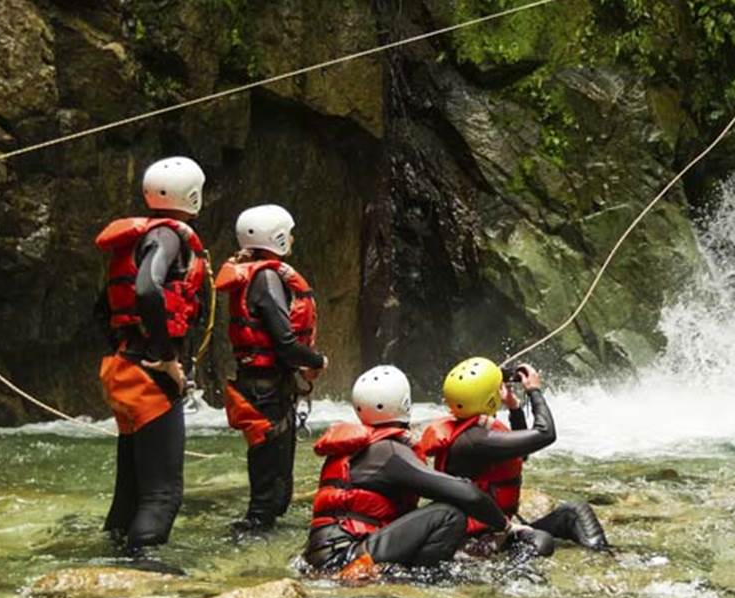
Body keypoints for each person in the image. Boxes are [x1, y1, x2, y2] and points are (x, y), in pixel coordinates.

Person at [93, 156, 208, 551]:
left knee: (130, 487)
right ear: (192, 194)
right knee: (162, 494)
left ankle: (111, 553)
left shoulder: (134, 240)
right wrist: (165, 357)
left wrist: (126, 350)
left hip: (123, 366)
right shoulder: (168, 236)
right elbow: (146, 289)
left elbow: (101, 309)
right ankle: (143, 569)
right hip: (150, 372)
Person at [304, 365, 508, 575]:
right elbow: (467, 494)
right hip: (346, 558)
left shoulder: (355, 448)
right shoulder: (389, 452)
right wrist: (505, 526)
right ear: (405, 404)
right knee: (448, 514)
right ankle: (418, 583)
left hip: (324, 555)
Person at [416, 356, 608, 554]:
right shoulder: (476, 441)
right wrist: (534, 390)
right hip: (480, 537)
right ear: (490, 399)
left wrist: (514, 408)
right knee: (541, 541)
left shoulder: (471, 432)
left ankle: (603, 557)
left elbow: (521, 453)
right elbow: (545, 433)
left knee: (574, 512)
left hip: (497, 527)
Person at [214, 204, 327, 533]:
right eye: (288, 233)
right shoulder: (266, 278)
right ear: (276, 237)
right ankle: (250, 541)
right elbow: (286, 344)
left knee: (276, 485)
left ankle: (261, 535)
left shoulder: (256, 275)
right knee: (268, 490)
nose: (292, 238)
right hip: (265, 390)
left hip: (265, 385)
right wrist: (317, 362)